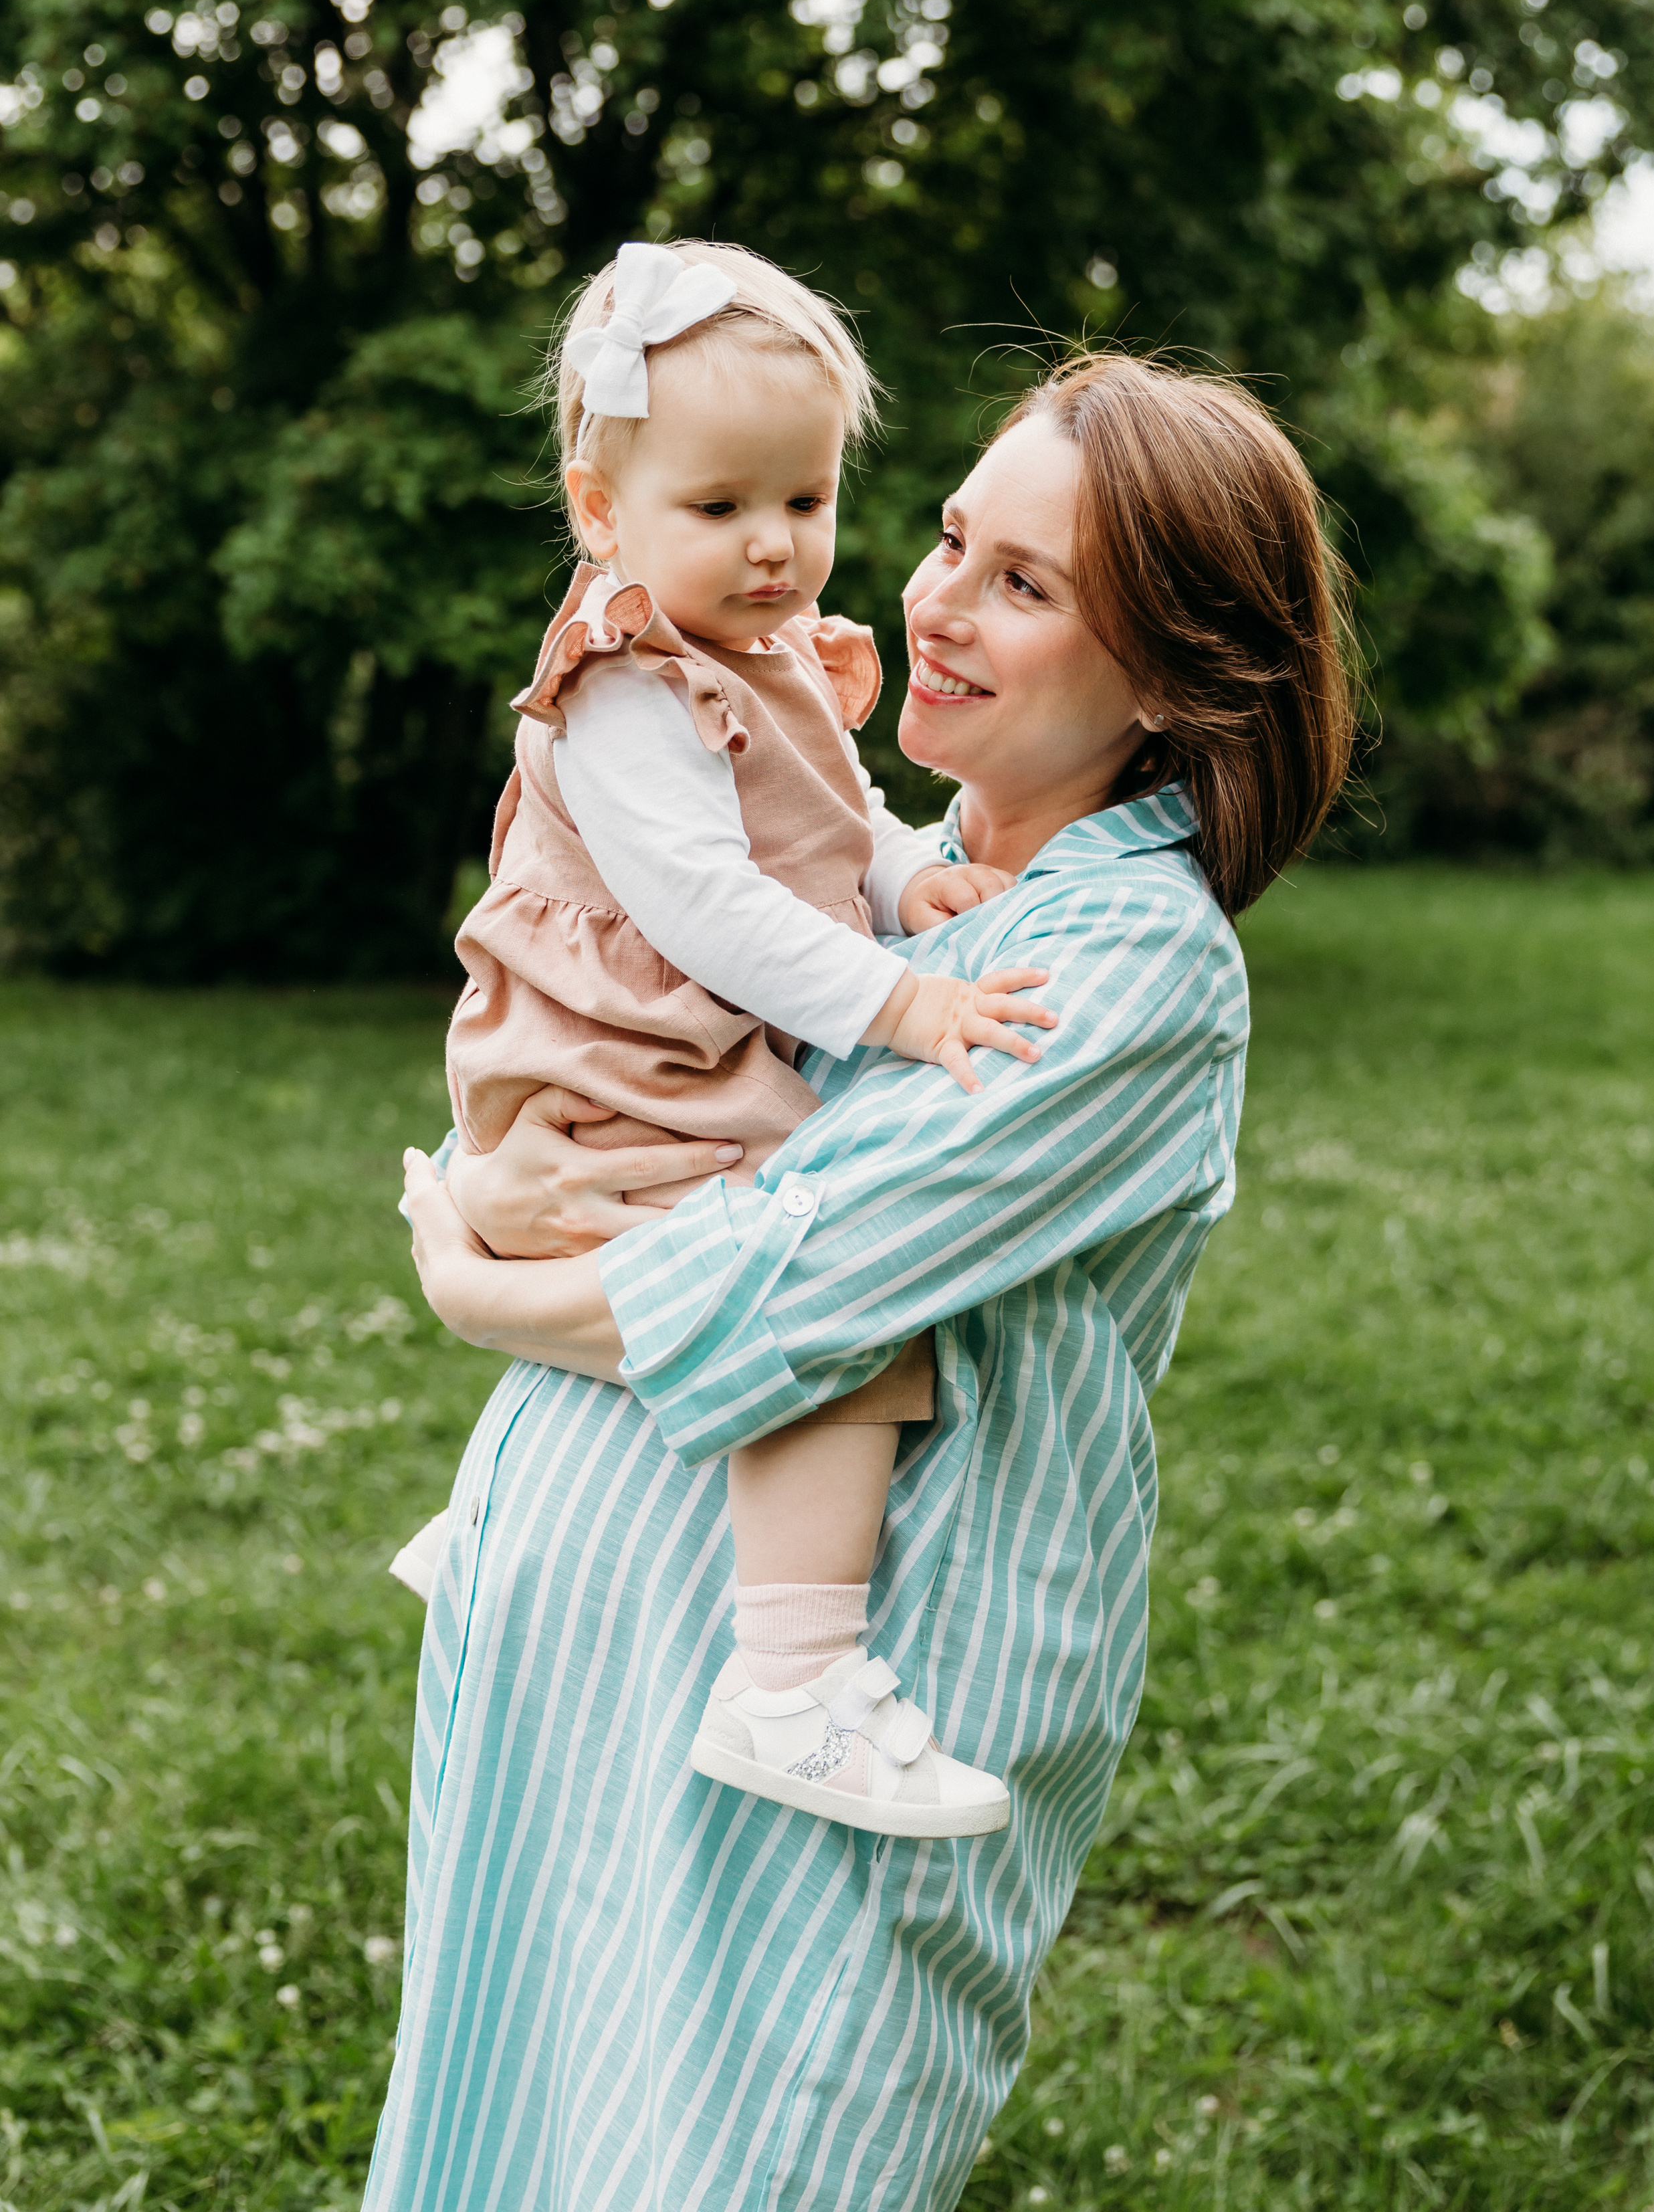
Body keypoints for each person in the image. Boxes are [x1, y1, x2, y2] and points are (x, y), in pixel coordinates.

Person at [365, 349, 1355, 2212]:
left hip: (829, 1738)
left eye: (1028, 584)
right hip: (582, 1653)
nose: (936, 602)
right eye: (957, 539)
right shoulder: (861, 880)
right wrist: (511, 1172)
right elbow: (591, 1066)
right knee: (501, 2144)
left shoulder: (1126, 966)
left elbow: (795, 1277)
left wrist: (485, 1291)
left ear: (1180, 680)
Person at [393, 238, 1054, 1837]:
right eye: (720, 509)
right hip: (625, 1047)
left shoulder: (755, 653)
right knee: (826, 1306)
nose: (775, 547)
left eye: (805, 502)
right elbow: (704, 904)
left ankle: (514, 1521)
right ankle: (792, 1678)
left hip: (676, 1041)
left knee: (750, 1268)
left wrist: (911, 877)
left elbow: (827, 831)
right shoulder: (625, 680)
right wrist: (902, 1000)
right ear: (602, 509)